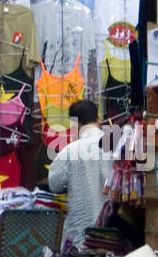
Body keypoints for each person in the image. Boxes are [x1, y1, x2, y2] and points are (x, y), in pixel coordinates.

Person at [48, 100, 115, 246]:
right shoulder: (116, 146)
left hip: (79, 235)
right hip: (113, 234)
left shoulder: (70, 151)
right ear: (97, 118)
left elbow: (54, 184)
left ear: (75, 123)